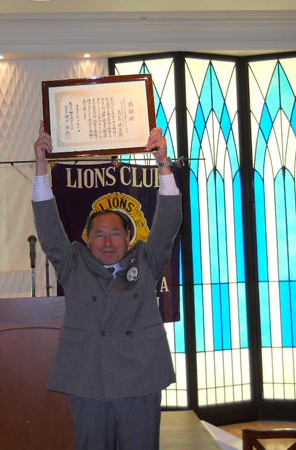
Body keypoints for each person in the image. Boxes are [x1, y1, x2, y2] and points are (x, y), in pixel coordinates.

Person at [32, 120, 182, 450]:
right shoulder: (73, 263)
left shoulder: (147, 260)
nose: (108, 241)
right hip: (88, 376)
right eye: (99, 234)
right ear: (86, 239)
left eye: (115, 233)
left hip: (141, 375)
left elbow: (168, 224)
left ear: (129, 237)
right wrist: (41, 166)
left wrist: (163, 163)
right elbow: (49, 230)